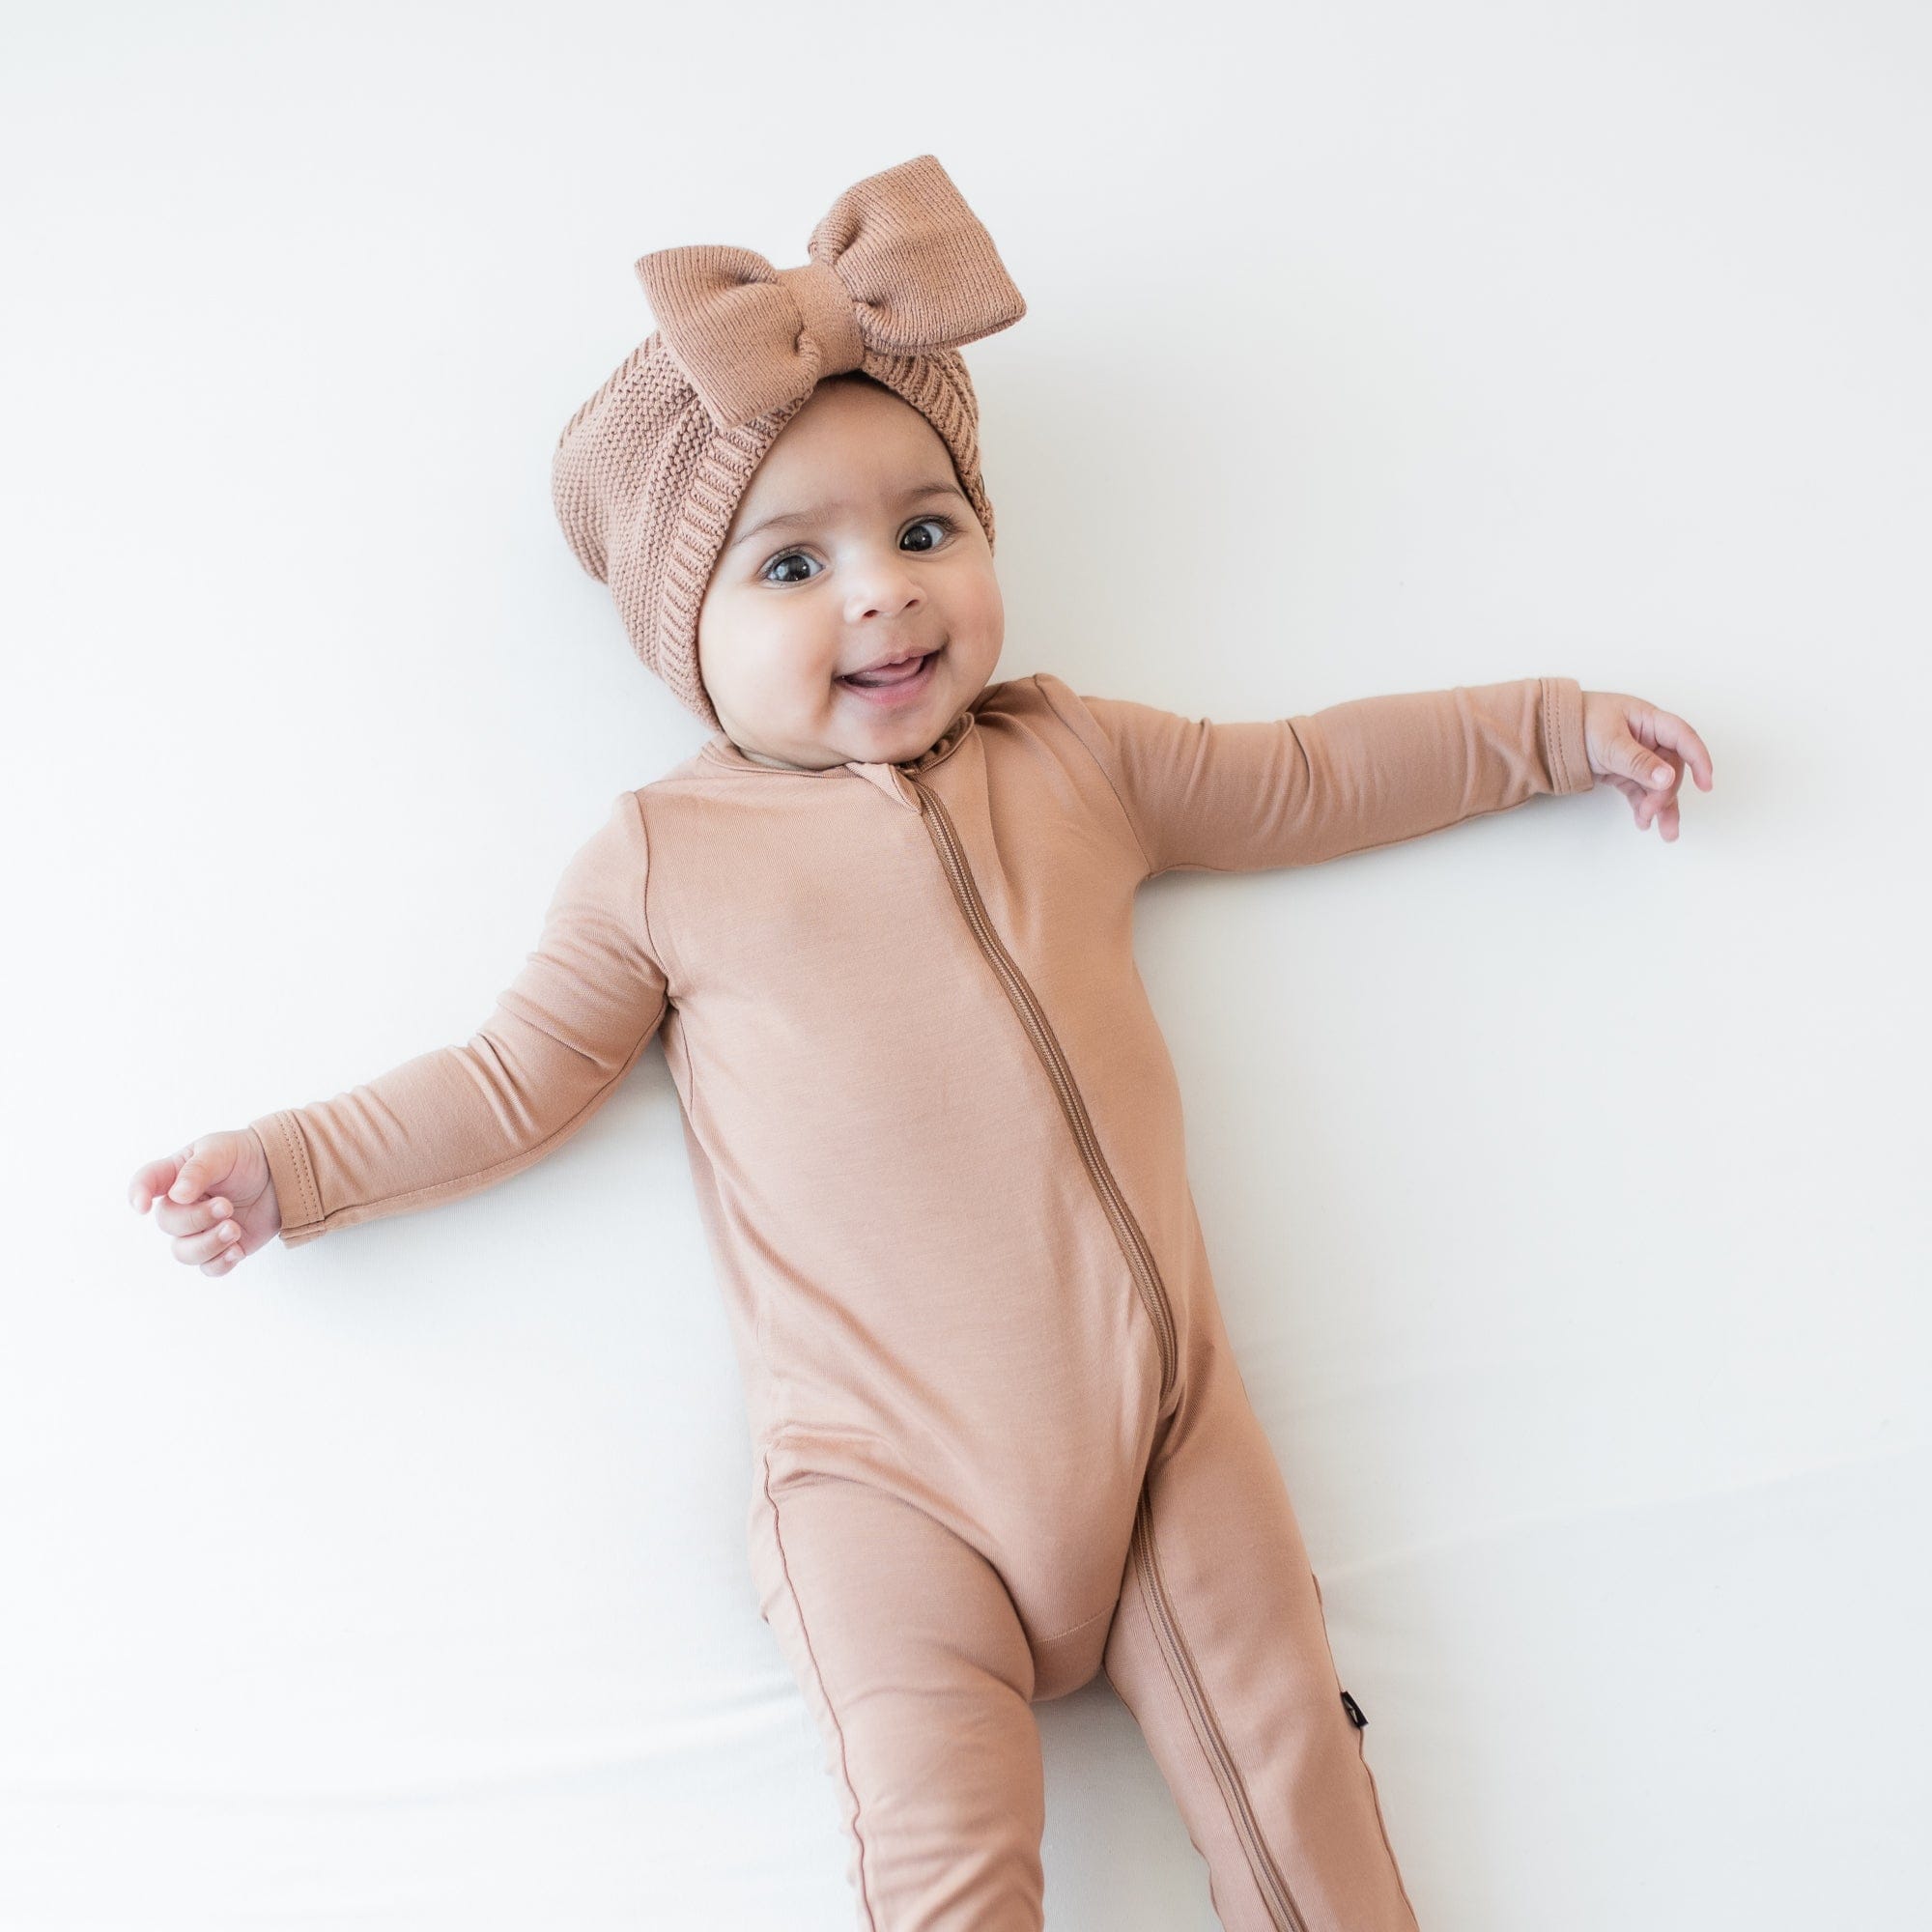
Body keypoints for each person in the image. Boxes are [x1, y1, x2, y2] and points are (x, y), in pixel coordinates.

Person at [127, 154, 1713, 1932]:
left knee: (1306, 1794)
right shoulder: (668, 860)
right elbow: (506, 1083)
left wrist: (1549, 728)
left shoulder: (1071, 760)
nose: (881, 593)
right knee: (947, 1868)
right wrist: (289, 1167)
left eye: (926, 529)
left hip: (1170, 1428)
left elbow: (1312, 775)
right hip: (885, 1497)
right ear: (688, 639)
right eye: (792, 563)